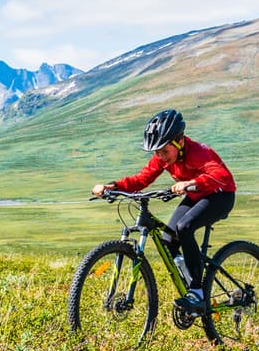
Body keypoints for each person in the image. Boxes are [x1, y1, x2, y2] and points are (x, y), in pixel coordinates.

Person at [92, 109, 236, 314]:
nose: (160, 157)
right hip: (196, 195)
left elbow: (221, 176)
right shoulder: (163, 157)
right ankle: (190, 280)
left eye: (164, 151)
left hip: (220, 196)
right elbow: (141, 180)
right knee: (169, 240)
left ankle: (197, 292)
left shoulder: (198, 153)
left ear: (179, 142)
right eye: (156, 153)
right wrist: (111, 187)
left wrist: (192, 182)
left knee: (184, 227)